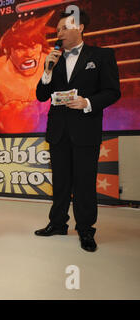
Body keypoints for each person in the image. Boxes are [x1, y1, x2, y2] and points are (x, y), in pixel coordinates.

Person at [34, 9, 121, 252]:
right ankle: (58, 223)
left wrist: (87, 103)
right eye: (58, 30)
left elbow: (113, 92)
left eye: (64, 28)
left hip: (85, 130)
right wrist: (47, 71)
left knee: (84, 183)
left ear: (80, 28)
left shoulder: (102, 56)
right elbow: (41, 95)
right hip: (58, 132)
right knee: (60, 182)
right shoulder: (54, 58)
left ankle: (85, 230)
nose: (59, 33)